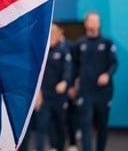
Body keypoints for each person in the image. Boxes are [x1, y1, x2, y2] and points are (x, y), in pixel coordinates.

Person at [71, 11, 117, 151]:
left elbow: (114, 64)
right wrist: (73, 84)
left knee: (102, 125)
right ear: (86, 24)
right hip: (86, 92)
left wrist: (107, 75)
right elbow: (73, 66)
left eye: (97, 21)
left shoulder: (107, 43)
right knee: (86, 125)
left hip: (103, 93)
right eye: (92, 21)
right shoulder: (79, 44)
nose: (95, 24)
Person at [36, 23, 73, 151]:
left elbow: (68, 70)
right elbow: (36, 73)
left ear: (59, 35)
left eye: (54, 33)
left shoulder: (63, 51)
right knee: (41, 126)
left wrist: (65, 82)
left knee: (60, 126)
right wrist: (38, 92)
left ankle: (59, 147)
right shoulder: (41, 51)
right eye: (49, 33)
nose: (51, 35)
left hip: (59, 97)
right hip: (44, 96)